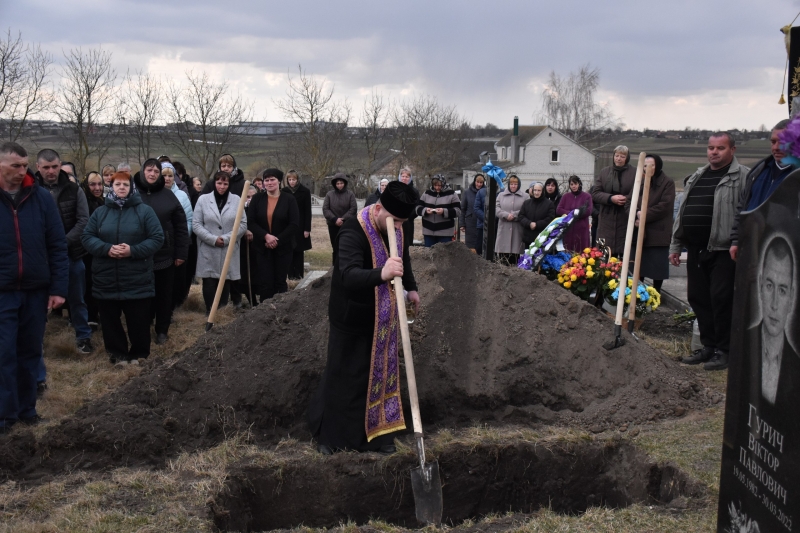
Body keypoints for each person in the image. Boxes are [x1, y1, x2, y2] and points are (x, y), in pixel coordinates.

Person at [309, 180, 420, 454]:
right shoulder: (352, 231)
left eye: (402, 223)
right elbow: (347, 274)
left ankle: (378, 436)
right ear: (378, 208)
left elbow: (402, 259)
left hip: (382, 319)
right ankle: (332, 439)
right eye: (394, 222)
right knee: (346, 377)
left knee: (379, 376)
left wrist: (412, 287)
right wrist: (382, 273)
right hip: (351, 315)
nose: (398, 228)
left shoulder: (399, 224)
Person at [0, 142, 68, 433]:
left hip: (36, 290)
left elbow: (57, 245)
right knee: (4, 353)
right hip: (2, 292)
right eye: (15, 165)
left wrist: (58, 288)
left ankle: (27, 410)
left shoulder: (40, 198)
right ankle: (5, 414)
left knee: (30, 352)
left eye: (25, 165)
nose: (22, 171)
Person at [671, 132, 749, 371]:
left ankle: (724, 350)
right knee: (698, 297)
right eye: (711, 147)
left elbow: (747, 213)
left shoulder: (743, 177)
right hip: (696, 249)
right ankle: (708, 346)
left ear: (732, 150)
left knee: (722, 299)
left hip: (724, 250)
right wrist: (676, 244)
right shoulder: (698, 175)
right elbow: (683, 212)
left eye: (720, 148)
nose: (714, 152)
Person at [82, 172, 164, 365]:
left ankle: (139, 354)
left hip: (136, 277)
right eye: (117, 184)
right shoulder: (100, 213)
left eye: (125, 185)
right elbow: (87, 237)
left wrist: (132, 251)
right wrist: (106, 249)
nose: (121, 188)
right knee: (110, 320)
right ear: (111, 187)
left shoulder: (144, 211)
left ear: (131, 188)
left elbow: (157, 238)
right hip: (106, 276)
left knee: (138, 320)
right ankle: (117, 354)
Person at [34, 149, 93, 354]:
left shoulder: (73, 188)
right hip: (39, 255)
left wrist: (62, 243)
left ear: (60, 165)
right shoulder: (29, 190)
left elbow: (84, 220)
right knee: (38, 301)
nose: (51, 171)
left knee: (77, 298)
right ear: (38, 167)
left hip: (71, 252)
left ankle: (83, 336)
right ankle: (35, 342)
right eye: (46, 167)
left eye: (55, 166)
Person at [133, 159, 189, 345]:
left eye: (156, 171)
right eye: (149, 170)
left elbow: (181, 226)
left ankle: (162, 329)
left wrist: (181, 253)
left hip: (165, 255)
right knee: (142, 294)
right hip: (138, 255)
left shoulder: (168, 196)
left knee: (165, 295)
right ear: (142, 172)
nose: (153, 174)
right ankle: (143, 325)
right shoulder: (132, 195)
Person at [729, 119, 794, 261]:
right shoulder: (758, 171)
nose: (776, 147)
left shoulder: (797, 176)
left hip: (786, 253)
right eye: (773, 142)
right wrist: (736, 240)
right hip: (752, 247)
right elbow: (743, 207)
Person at [193, 171, 248, 314]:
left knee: (225, 280)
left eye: (225, 183)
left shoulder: (237, 200)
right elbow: (196, 224)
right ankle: (209, 312)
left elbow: (242, 224)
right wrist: (213, 239)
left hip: (228, 248)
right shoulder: (203, 200)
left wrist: (227, 238)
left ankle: (222, 313)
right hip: (208, 248)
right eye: (219, 183)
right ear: (214, 183)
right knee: (209, 281)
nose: (222, 186)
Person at [248, 170, 299, 302]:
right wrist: (266, 236)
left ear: (279, 181)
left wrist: (277, 240)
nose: (269, 183)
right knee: (265, 282)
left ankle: (281, 311)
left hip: (283, 248)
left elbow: (294, 224)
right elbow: (250, 221)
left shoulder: (289, 199)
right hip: (262, 247)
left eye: (272, 179)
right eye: (266, 180)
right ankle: (264, 312)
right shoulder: (257, 199)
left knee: (280, 281)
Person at [626, 155, 675, 293]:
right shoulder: (640, 182)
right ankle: (638, 293)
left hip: (657, 231)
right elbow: (629, 202)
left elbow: (664, 206)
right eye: (645, 165)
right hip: (638, 230)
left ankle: (656, 293)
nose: (648, 168)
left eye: (651, 165)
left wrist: (644, 215)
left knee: (657, 265)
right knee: (638, 264)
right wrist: (636, 213)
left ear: (658, 166)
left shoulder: (667, 183)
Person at [591, 145, 637, 256]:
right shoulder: (604, 172)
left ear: (627, 158)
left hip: (625, 217)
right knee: (603, 254)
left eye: (622, 156)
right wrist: (611, 198)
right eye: (616, 156)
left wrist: (627, 199)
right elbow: (595, 193)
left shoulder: (635, 173)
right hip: (606, 220)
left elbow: (638, 191)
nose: (619, 159)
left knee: (624, 254)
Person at [161, 163, 194, 310]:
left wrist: (179, 241)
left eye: (170, 175)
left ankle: (173, 307)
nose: (167, 179)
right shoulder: (151, 194)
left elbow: (188, 220)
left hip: (176, 244)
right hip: (158, 246)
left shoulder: (182, 196)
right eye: (164, 175)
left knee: (175, 279)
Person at [81, 172, 106, 327]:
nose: (97, 188)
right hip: (86, 251)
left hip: (102, 249)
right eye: (92, 184)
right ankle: (89, 316)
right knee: (88, 284)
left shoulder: (104, 202)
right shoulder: (83, 202)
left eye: (99, 184)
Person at [282, 170, 312, 280]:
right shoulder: (284, 191)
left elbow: (308, 211)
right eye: (289, 180)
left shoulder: (305, 191)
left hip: (301, 225)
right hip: (288, 225)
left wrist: (307, 229)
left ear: (297, 179)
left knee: (299, 250)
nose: (291, 182)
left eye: (293, 179)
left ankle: (299, 275)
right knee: (289, 249)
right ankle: (290, 276)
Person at [417, 174, 460, 247]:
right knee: (429, 255)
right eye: (435, 185)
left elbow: (458, 211)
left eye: (439, 185)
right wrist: (425, 210)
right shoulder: (426, 193)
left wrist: (444, 211)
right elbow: (417, 207)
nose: (437, 188)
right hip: (428, 232)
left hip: (445, 233)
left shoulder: (452, 194)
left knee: (444, 256)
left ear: (443, 184)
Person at [322, 172, 357, 257]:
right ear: (334, 184)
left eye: (341, 183)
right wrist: (335, 219)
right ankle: (335, 267)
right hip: (333, 225)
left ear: (345, 183)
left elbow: (353, 209)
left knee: (346, 247)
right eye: (337, 183)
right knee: (335, 247)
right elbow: (325, 209)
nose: (339, 185)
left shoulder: (350, 194)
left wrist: (343, 219)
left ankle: (345, 268)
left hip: (346, 225)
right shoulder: (329, 195)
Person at [494, 175, 527, 263]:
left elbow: (526, 210)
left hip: (517, 229)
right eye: (511, 184)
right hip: (504, 228)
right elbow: (496, 208)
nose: (513, 186)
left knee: (515, 258)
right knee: (503, 259)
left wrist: (514, 215)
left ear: (518, 185)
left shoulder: (525, 196)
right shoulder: (501, 195)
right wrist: (505, 215)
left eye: (515, 184)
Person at [556, 175, 593, 252]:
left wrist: (578, 213)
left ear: (579, 184)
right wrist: (570, 213)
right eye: (571, 184)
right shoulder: (566, 196)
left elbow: (589, 210)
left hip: (581, 229)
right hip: (568, 229)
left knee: (581, 251)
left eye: (575, 184)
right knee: (568, 251)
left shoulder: (587, 196)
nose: (574, 186)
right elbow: (559, 209)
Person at [519, 182, 555, 249]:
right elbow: (521, 216)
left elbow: (550, 218)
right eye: (535, 190)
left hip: (542, 238)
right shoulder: (526, 203)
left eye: (539, 190)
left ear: (542, 191)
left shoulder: (549, 204)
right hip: (528, 238)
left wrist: (537, 224)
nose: (536, 192)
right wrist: (529, 223)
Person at [459, 173, 484, 253]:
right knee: (470, 246)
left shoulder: (486, 192)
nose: (479, 184)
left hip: (481, 221)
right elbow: (463, 209)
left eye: (481, 183)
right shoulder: (467, 192)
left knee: (480, 245)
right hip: (470, 222)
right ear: (474, 182)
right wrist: (462, 223)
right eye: (477, 182)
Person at [397, 168, 419, 249]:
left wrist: (408, 217)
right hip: (396, 220)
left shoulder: (414, 191)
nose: (404, 178)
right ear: (400, 177)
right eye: (403, 176)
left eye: (407, 176)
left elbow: (417, 207)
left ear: (410, 178)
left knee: (407, 244)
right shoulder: (395, 189)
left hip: (408, 221)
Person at [474, 184, 487, 256]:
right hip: (482, 225)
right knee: (479, 248)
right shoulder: (481, 192)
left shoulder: (501, 192)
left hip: (496, 225)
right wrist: (487, 218)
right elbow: (476, 208)